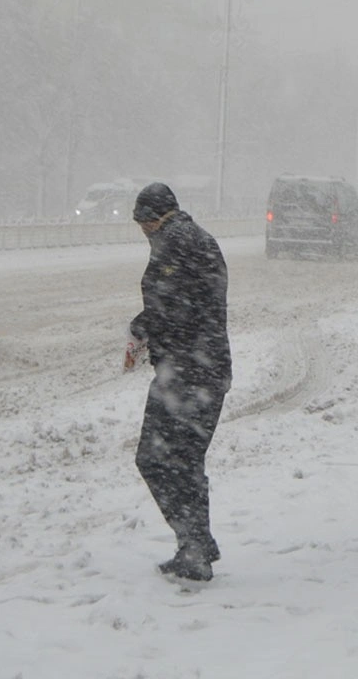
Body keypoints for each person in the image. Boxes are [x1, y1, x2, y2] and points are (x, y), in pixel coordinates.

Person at [129, 182, 234, 582]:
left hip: (186, 373)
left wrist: (141, 329)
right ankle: (196, 544)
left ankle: (194, 545)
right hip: (207, 369)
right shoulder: (198, 238)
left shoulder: (172, 242)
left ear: (151, 218)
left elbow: (170, 305)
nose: (141, 232)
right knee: (185, 461)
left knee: (155, 459)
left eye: (141, 223)